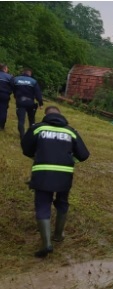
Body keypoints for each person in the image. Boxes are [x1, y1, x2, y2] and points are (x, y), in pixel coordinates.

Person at [21, 106, 90, 258]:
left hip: (43, 172)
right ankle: (58, 235)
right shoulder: (71, 131)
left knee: (43, 204)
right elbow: (84, 155)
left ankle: (46, 243)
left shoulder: (38, 128)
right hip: (64, 174)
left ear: (46, 115)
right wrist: (71, 161)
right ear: (61, 115)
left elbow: (25, 149)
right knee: (62, 202)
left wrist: (38, 155)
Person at [13, 67, 43, 138]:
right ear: (30, 73)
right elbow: (38, 93)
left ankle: (22, 136)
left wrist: (15, 96)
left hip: (20, 102)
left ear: (23, 72)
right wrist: (40, 103)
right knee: (31, 119)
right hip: (30, 102)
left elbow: (14, 89)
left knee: (21, 120)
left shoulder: (16, 79)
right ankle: (31, 135)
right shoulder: (33, 81)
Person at [0, 63, 12, 131]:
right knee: (3, 110)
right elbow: (13, 86)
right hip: (4, 95)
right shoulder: (9, 77)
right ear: (4, 69)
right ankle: (1, 126)